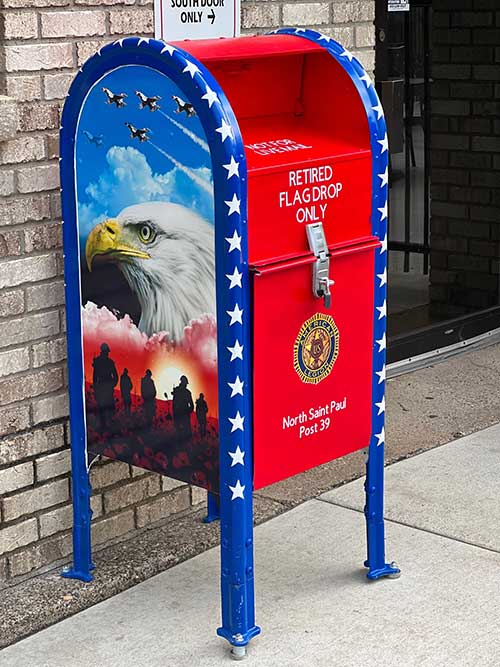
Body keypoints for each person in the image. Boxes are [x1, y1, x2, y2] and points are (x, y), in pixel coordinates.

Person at [92, 342, 118, 431]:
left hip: (103, 386)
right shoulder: (109, 362)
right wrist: (112, 384)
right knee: (105, 406)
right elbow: (115, 376)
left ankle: (107, 425)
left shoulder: (100, 362)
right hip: (104, 386)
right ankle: (106, 425)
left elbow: (95, 377)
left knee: (105, 406)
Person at [172, 375, 194, 439]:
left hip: (181, 414)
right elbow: (191, 405)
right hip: (181, 414)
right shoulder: (186, 392)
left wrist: (188, 411)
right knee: (182, 434)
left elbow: (192, 405)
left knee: (182, 433)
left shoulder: (179, 391)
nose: (186, 385)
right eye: (185, 383)